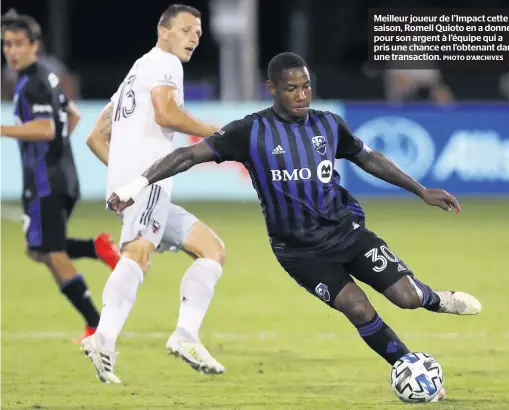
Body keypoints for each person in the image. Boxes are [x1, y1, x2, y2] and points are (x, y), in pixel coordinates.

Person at [106, 51, 483, 396]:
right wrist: (136, 184)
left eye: (306, 87)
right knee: (357, 307)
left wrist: (420, 191)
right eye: (291, 89)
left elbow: (369, 158)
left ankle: (435, 299)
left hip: (347, 233)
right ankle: (407, 365)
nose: (302, 95)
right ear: (272, 89)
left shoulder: (329, 125)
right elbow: (188, 155)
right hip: (300, 252)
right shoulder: (249, 132)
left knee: (407, 298)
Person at [82, 4, 226, 382]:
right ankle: (104, 338)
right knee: (138, 253)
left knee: (212, 250)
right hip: (149, 183)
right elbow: (166, 114)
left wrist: (122, 180)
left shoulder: (136, 71)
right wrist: (213, 131)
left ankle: (185, 335)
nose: (194, 36)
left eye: (198, 32)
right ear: (163, 31)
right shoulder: (165, 64)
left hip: (141, 185)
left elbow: (95, 136)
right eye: (186, 29)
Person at [0, 11, 120, 343]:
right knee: (36, 248)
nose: (11, 51)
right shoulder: (46, 78)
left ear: (34, 46)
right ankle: (96, 248)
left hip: (45, 182)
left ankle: (96, 324)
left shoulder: (32, 84)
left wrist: (8, 132)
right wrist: (58, 152)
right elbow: (73, 114)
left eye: (18, 44)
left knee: (51, 252)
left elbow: (46, 127)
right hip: (59, 176)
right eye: (6, 44)